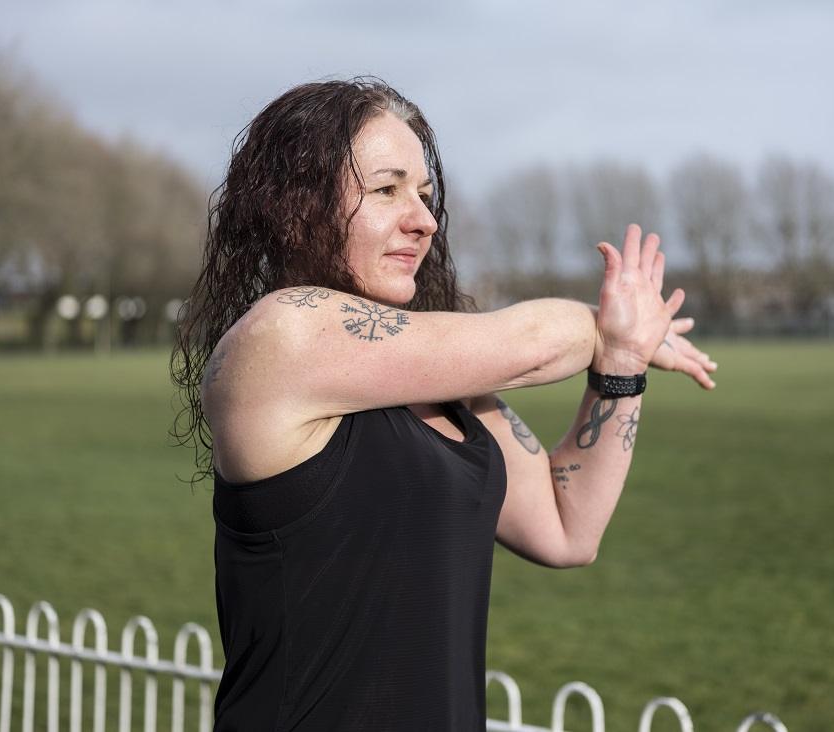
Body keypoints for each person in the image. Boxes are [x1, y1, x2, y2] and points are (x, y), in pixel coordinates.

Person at [171, 78, 717, 731]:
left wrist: (621, 370)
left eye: (426, 195)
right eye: (386, 189)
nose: (424, 218)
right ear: (296, 205)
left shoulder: (440, 382)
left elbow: (569, 528)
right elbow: (530, 347)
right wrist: (611, 329)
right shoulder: (282, 336)